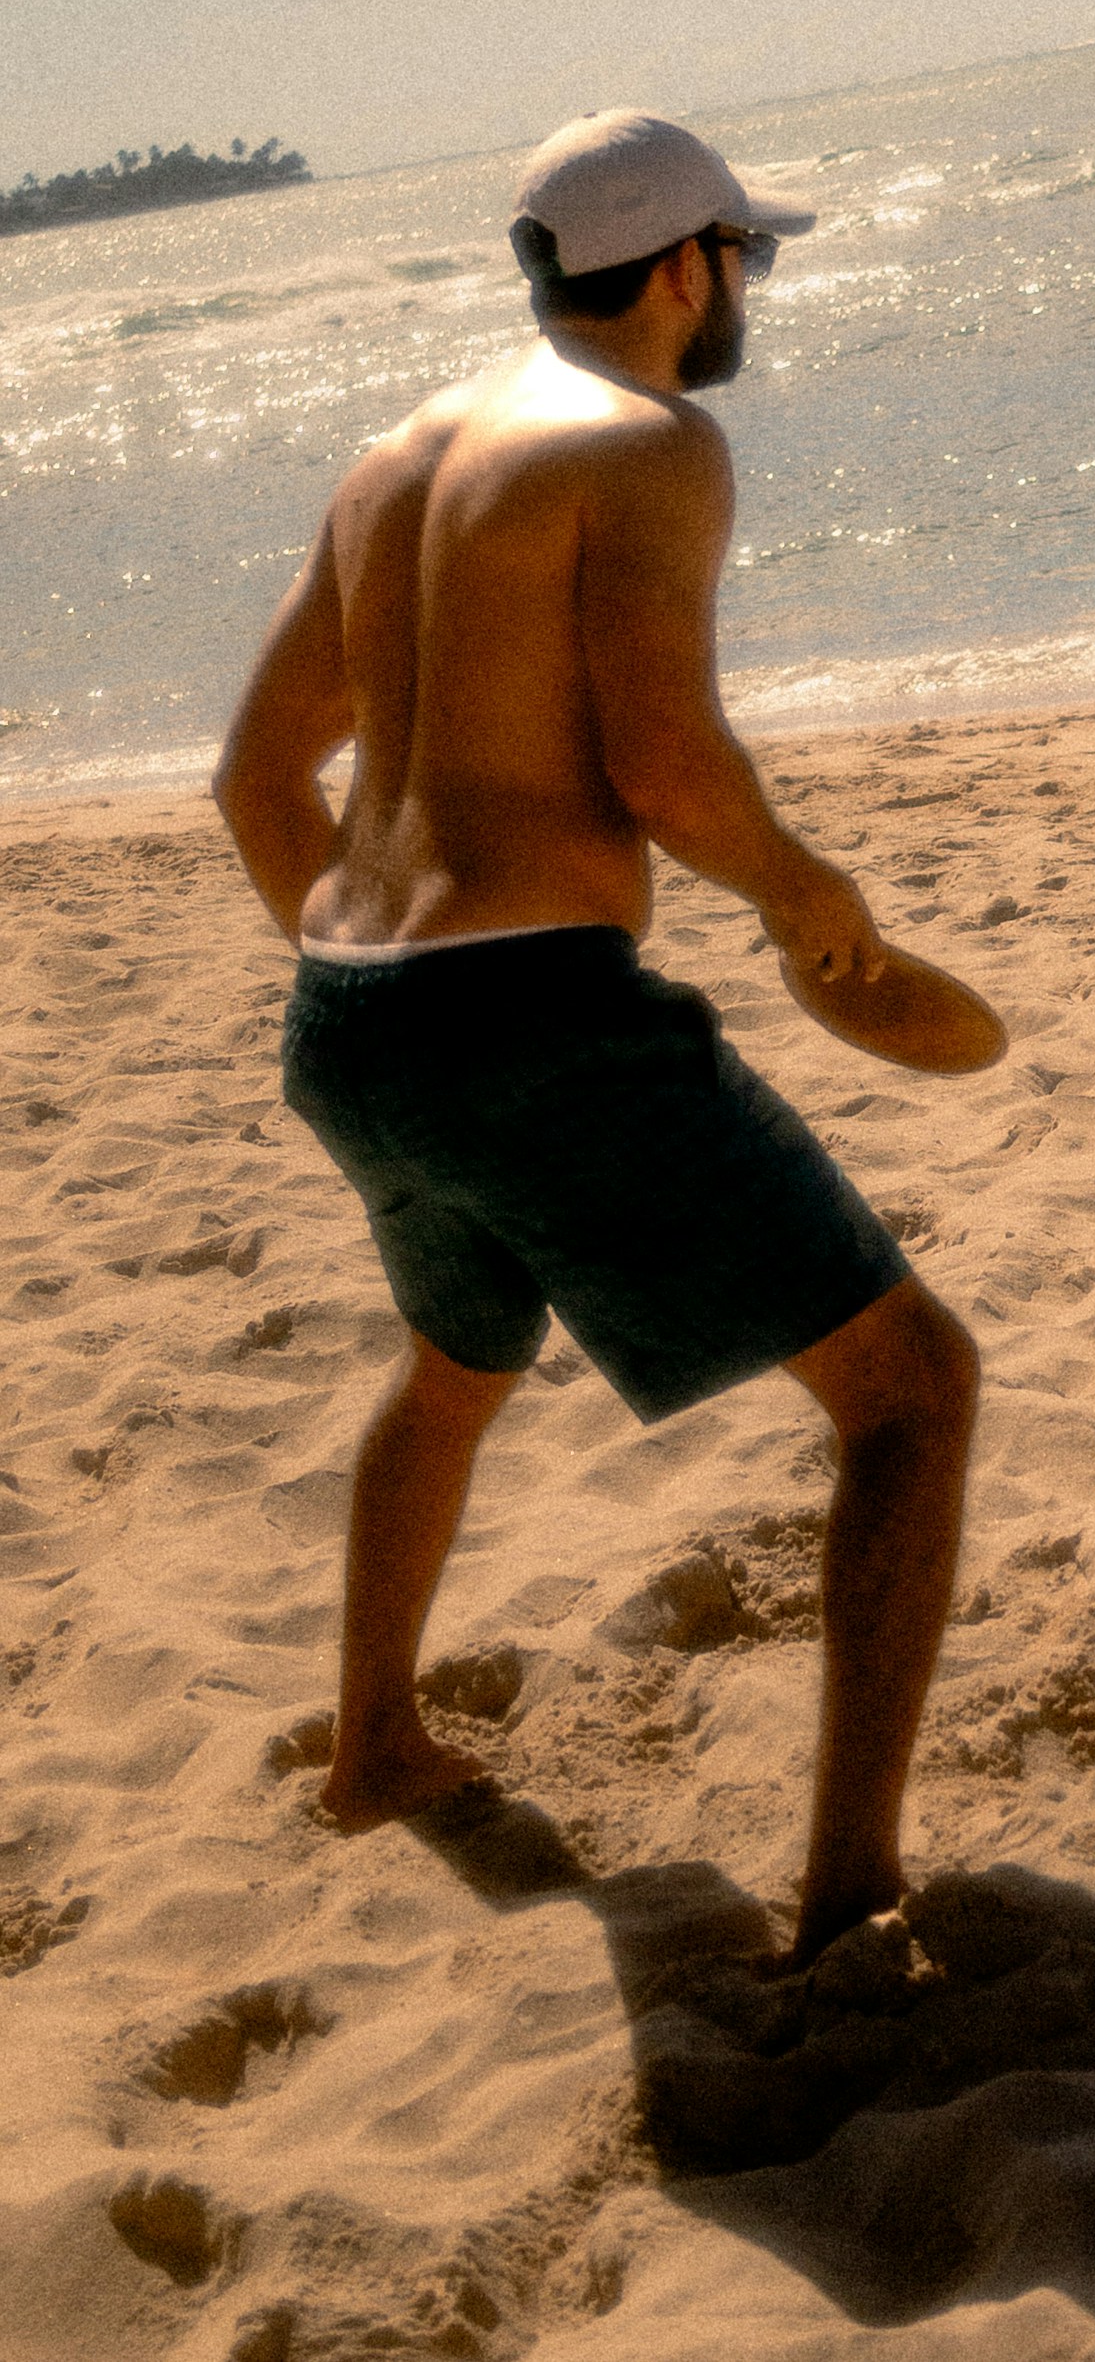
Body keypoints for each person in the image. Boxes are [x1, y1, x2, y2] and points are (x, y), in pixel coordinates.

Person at [215, 107, 980, 1962]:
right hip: (529, 1015)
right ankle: (851, 1893)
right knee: (911, 1390)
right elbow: (663, 761)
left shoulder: (392, 462)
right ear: (687, 266)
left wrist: (389, 989)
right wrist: (808, 897)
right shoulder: (647, 444)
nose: (750, 290)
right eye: (749, 254)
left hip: (347, 1015)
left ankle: (377, 1747)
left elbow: (255, 779)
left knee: (452, 1370)